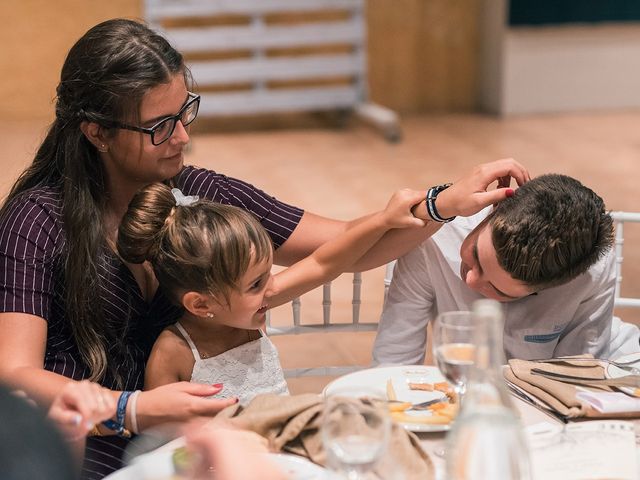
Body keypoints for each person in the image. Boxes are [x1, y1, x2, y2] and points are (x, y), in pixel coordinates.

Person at [0, 17, 527, 479]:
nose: (183, 136)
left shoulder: (199, 195)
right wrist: (130, 410)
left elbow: (347, 246)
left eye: (186, 111)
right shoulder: (37, 221)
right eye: (160, 126)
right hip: (88, 433)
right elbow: (14, 371)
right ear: (96, 132)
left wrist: (445, 202)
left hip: (198, 431)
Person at [118, 183, 425, 402]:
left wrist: (383, 220)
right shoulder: (173, 353)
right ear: (200, 304)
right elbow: (159, 437)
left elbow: (323, 262)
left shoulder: (249, 312)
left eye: (267, 275)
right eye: (255, 284)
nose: (271, 287)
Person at [373, 174, 640, 366]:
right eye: (475, 254)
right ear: (494, 209)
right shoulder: (433, 239)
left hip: (610, 368)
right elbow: (394, 362)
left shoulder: (592, 272)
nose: (470, 279)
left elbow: (573, 377)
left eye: (498, 289)